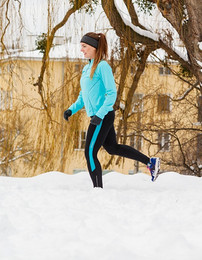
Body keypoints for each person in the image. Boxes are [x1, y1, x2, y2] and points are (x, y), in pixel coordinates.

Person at [63, 32, 160, 188]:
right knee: (112, 148)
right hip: (98, 116)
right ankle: (150, 162)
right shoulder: (86, 69)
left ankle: (97, 189)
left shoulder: (102, 66)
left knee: (89, 152)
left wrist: (100, 115)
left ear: (94, 48)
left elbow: (111, 93)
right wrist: (70, 110)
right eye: (81, 46)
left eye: (84, 46)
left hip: (102, 115)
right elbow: (83, 95)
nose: (82, 50)